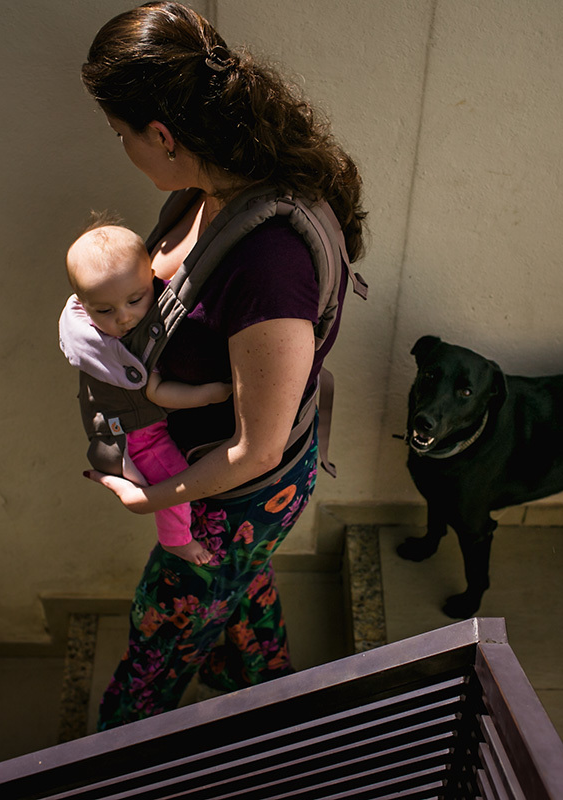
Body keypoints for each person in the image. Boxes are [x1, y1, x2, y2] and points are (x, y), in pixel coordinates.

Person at [68, 0, 366, 728]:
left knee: (158, 643)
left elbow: (256, 449)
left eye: (121, 134)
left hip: (231, 499)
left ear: (162, 135)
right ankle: (269, 700)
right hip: (220, 489)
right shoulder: (210, 191)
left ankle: (111, 758)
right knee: (240, 589)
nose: (122, 148)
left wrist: (151, 499)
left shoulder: (269, 265)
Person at [62, 221, 230, 566]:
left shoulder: (83, 323)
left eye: (135, 300)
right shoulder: (121, 346)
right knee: (175, 485)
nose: (124, 317)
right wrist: (209, 395)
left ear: (152, 278)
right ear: (83, 303)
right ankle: (176, 540)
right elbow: (157, 393)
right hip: (138, 439)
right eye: (105, 310)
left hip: (116, 428)